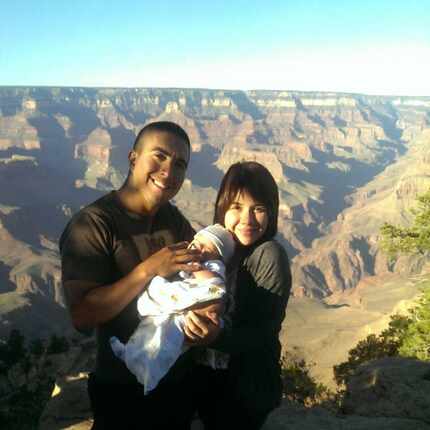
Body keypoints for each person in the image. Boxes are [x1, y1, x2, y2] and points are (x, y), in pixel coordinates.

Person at [59, 121, 221, 430]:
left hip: (177, 383)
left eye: (179, 164)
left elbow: (198, 277)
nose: (168, 171)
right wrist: (148, 269)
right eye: (158, 156)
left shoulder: (172, 218)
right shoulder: (93, 224)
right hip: (122, 391)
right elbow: (82, 314)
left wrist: (205, 317)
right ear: (133, 157)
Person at [185, 161, 292, 430]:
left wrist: (215, 337)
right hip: (206, 385)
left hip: (245, 394)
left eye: (258, 209)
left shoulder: (269, 255)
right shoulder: (217, 249)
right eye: (236, 207)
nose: (247, 219)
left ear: (272, 213)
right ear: (222, 208)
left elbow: (262, 333)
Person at [109, 224, 235, 394]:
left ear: (218, 256)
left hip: (189, 308)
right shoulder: (188, 256)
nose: (199, 249)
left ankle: (150, 376)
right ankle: (129, 353)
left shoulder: (214, 265)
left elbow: (214, 284)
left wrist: (198, 267)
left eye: (207, 247)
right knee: (146, 331)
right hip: (175, 303)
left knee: (165, 343)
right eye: (197, 242)